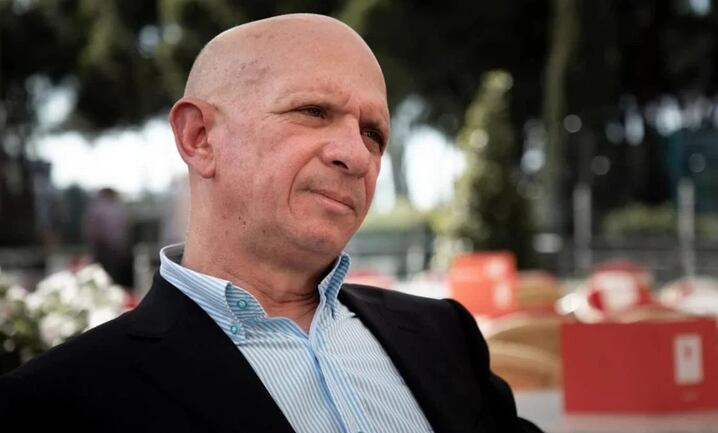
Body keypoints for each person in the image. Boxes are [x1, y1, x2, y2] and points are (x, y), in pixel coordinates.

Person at [0, 14, 542, 433]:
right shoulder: (56, 402)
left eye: (373, 133)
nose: (356, 154)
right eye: (313, 112)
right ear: (199, 138)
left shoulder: (444, 335)